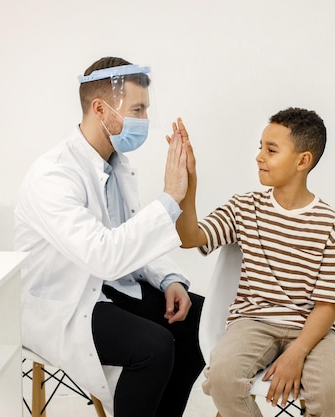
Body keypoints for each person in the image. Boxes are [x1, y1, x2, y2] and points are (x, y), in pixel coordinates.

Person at [14, 56, 205, 417]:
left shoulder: (115, 164)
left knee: (197, 322)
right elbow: (103, 255)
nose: (144, 121)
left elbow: (128, 233)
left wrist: (169, 279)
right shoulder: (52, 176)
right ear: (100, 108)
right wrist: (169, 197)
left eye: (146, 110)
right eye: (137, 109)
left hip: (106, 286)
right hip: (62, 304)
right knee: (154, 345)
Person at [172, 108, 335, 416]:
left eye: (271, 150)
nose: (259, 156)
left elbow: (328, 305)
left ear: (302, 161)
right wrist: (189, 182)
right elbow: (190, 237)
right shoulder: (244, 207)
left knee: (333, 396)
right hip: (253, 322)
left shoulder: (329, 224)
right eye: (260, 147)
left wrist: (296, 354)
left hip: (313, 330)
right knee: (222, 379)